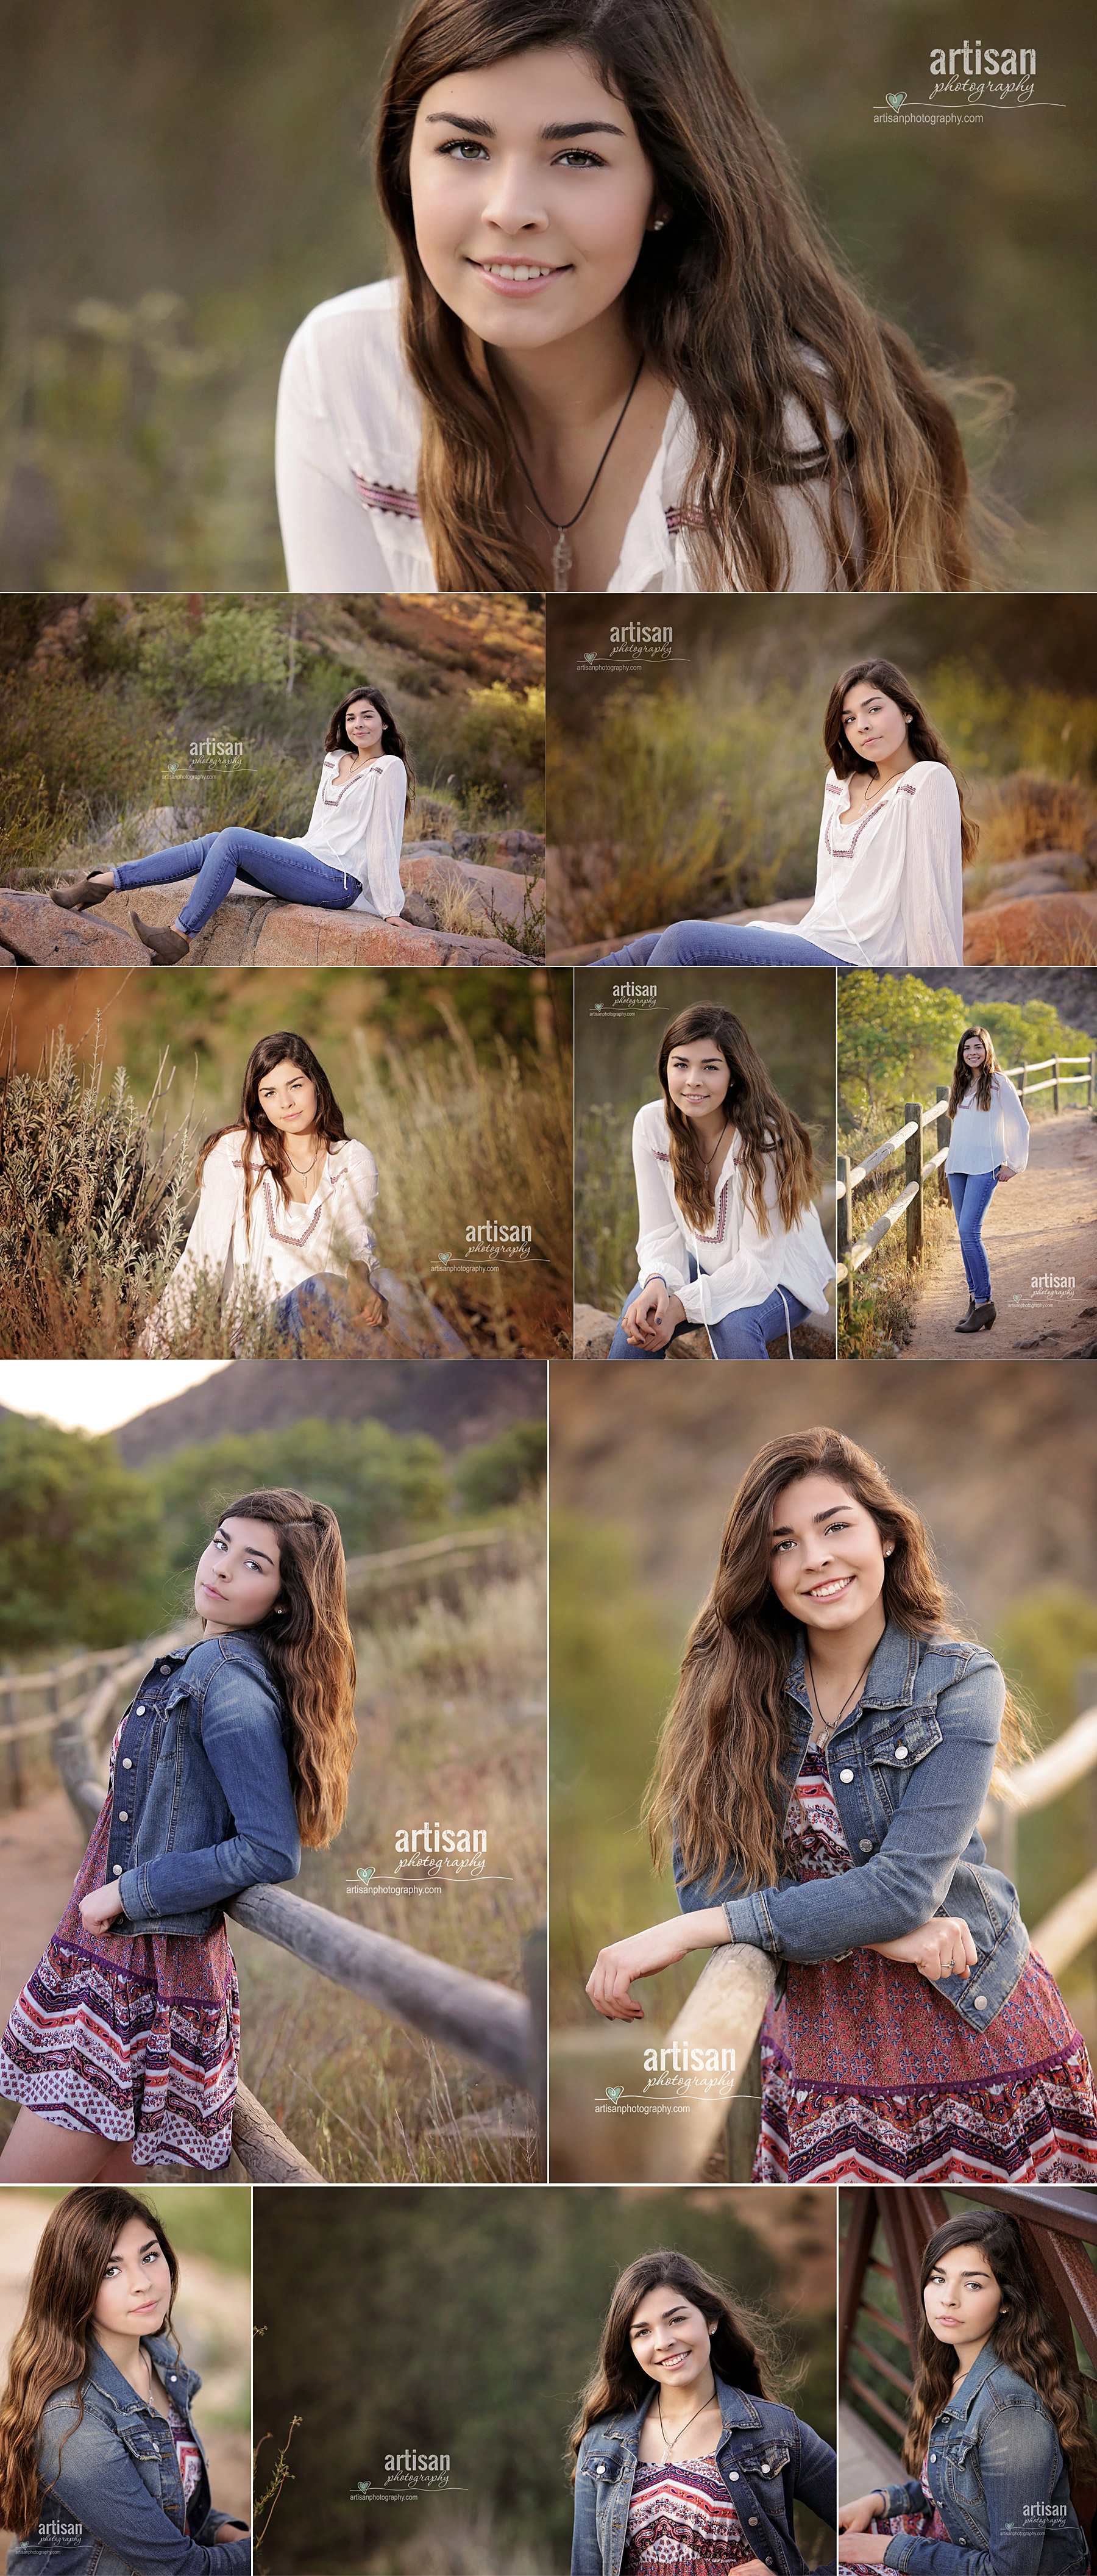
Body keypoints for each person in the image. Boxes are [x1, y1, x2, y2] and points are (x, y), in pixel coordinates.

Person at [276, 0, 987, 596]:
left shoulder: (777, 427)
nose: (511, 210)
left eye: (578, 157)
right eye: (466, 147)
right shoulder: (345, 367)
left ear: (667, 190)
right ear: (405, 163)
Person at [584, 1425, 1097, 2183]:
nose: (815, 1558)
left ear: (886, 1536)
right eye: (784, 1543)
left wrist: (688, 1933)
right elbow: (713, 1879)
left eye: (835, 1527)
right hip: (822, 2056)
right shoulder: (729, 1687)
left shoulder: (959, 1682)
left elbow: (901, 1889)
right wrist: (888, 1936)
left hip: (977, 2031)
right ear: (762, 1568)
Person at [0, 1490, 357, 2177]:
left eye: (253, 1563)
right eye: (221, 1543)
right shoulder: (212, 1666)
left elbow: (269, 1848)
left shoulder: (227, 1684)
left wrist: (131, 1890)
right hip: (130, 1973)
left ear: (284, 1599)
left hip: (136, 1982)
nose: (220, 1568)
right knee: (86, 2204)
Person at [598, 661, 971, 968]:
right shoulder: (840, 784)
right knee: (648, 947)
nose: (863, 725)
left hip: (865, 958)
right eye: (849, 719)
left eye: (874, 709)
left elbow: (930, 902)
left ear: (907, 711)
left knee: (684, 940)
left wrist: (931, 978)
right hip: (819, 938)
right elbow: (829, 891)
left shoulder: (928, 779)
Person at [48, 688, 410, 962]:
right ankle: (102, 883)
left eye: (367, 717)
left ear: (385, 722)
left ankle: (179, 935)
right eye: (351, 718)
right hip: (310, 860)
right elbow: (321, 827)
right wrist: (290, 850)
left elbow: (384, 839)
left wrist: (390, 908)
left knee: (233, 839)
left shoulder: (389, 768)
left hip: (339, 880)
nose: (358, 725)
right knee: (216, 841)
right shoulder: (335, 760)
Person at [0, 2187, 250, 2576]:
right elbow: (179, 2568)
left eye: (149, 2257)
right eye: (111, 2270)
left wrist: (225, 2531)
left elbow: (165, 2501)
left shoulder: (160, 2361)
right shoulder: (73, 2421)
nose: (143, 2283)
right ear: (73, 2285)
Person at [838, 2208, 1094, 2576]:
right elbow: (954, 2491)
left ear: (1006, 2300)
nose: (948, 2299)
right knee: (839, 2544)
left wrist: (890, 2548)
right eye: (938, 2279)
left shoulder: (1010, 2413)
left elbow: (1011, 2570)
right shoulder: (952, 2370)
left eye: (973, 2284)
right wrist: (879, 2502)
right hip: (960, 2542)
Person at [569, 2247, 836, 2576]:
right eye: (643, 2332)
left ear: (711, 2320)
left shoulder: (776, 2431)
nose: (663, 2342)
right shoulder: (600, 2447)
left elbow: (861, 2530)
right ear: (631, 2347)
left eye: (677, 2319)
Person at [607, 1002, 834, 1360]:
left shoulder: (765, 1139)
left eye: (710, 1068)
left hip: (779, 1272)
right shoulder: (651, 1125)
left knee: (734, 1327)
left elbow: (759, 1266)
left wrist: (681, 1307)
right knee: (638, 1325)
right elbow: (659, 1233)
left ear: (734, 1075)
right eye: (681, 1065)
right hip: (703, 1260)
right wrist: (656, 1283)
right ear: (665, 1068)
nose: (693, 1080)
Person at [145, 1031, 387, 1357]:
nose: (285, 1102)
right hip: (258, 1336)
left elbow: (356, 1236)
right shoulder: (236, 1154)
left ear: (317, 1084)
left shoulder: (351, 1159)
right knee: (323, 1287)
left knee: (396, 1291)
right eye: (270, 1093)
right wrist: (150, 1352)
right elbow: (203, 1257)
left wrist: (361, 1280)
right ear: (258, 1101)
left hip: (331, 1329)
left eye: (296, 1086)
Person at [945, 1026, 1029, 1336]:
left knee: (970, 1233)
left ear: (987, 1049)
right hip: (958, 1167)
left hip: (985, 1167)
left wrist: (1014, 1164)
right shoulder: (963, 1083)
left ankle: (985, 1304)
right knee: (964, 1236)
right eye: (967, 1048)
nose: (972, 1053)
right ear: (962, 1053)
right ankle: (974, 1300)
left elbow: (1021, 1124)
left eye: (978, 1047)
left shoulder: (998, 1082)